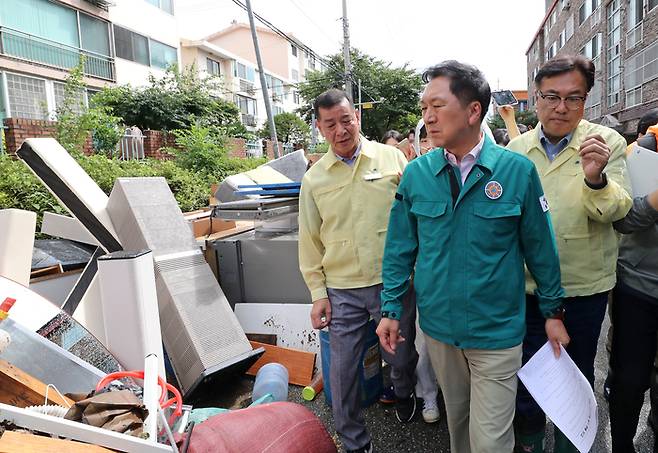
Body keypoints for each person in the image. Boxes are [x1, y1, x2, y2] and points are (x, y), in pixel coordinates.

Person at [377, 60, 568, 453]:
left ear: (473, 110)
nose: (427, 117)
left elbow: (541, 249)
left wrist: (552, 312)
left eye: (437, 105)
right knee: (459, 428)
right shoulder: (417, 174)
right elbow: (399, 248)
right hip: (440, 330)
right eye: (424, 107)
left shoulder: (516, 172)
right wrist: (391, 309)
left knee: (491, 441)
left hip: (496, 332)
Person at [507, 55, 633, 452]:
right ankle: (529, 439)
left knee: (576, 371)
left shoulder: (605, 143)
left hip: (584, 287)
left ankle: (569, 441)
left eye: (573, 98)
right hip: (526, 287)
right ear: (537, 99)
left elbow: (618, 211)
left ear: (586, 100)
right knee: (528, 370)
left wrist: (595, 179)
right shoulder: (516, 149)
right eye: (551, 96)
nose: (561, 107)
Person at [298, 89, 416, 453]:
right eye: (330, 124)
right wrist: (318, 294)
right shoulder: (314, 179)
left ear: (358, 118)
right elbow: (309, 240)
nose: (341, 130)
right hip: (342, 289)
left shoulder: (392, 158)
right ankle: (354, 441)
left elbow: (415, 216)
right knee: (343, 371)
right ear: (320, 128)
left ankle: (403, 389)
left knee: (401, 355)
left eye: (346, 120)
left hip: (391, 286)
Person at [608, 124, 658, 453]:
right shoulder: (643, 150)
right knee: (629, 381)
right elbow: (622, 219)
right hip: (639, 289)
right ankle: (622, 445)